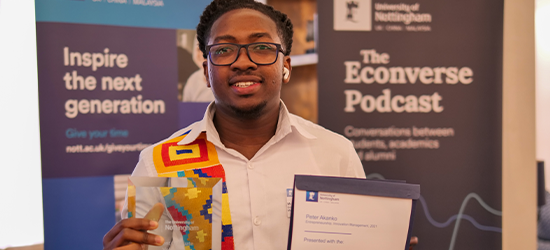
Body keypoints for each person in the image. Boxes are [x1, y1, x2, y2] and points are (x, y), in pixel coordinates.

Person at [103, 0, 416, 249]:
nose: (243, 61)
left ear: (286, 67)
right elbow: (141, 245)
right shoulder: (158, 163)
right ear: (206, 72)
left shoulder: (334, 154)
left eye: (262, 47)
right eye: (224, 49)